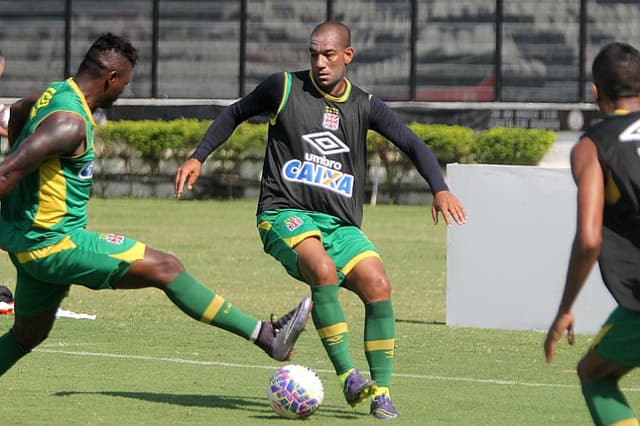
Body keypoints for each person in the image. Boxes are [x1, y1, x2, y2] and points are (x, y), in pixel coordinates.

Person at [175, 21, 466, 420]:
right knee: (322, 269)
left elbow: (412, 142)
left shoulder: (365, 104)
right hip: (283, 212)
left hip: (340, 225)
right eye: (313, 54)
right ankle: (348, 375)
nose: (319, 62)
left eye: (328, 55)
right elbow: (236, 112)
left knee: (379, 284)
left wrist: (440, 187)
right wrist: (198, 156)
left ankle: (381, 392)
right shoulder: (284, 88)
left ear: (348, 55)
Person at [0, 33, 312, 379]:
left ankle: (268, 338)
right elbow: (7, 173)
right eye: (125, 84)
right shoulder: (69, 123)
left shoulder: (55, 94)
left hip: (28, 244)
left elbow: (18, 110)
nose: (123, 92)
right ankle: (267, 337)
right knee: (166, 267)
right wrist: (18, 177)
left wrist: (21, 192)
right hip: (56, 245)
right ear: (111, 79)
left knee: (27, 336)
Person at [544, 41, 640, 425]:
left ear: (595, 91)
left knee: (595, 374)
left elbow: (589, 239)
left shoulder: (593, 147)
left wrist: (565, 308)